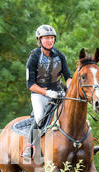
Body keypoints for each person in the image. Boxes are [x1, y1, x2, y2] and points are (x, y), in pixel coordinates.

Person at [22, 24, 72, 160]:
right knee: (39, 117)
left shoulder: (60, 56)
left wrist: (70, 87)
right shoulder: (33, 57)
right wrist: (47, 93)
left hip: (59, 93)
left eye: (51, 38)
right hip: (39, 94)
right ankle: (30, 146)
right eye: (46, 38)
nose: (49, 41)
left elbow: (68, 77)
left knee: (72, 112)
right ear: (40, 40)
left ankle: (82, 143)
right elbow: (30, 85)